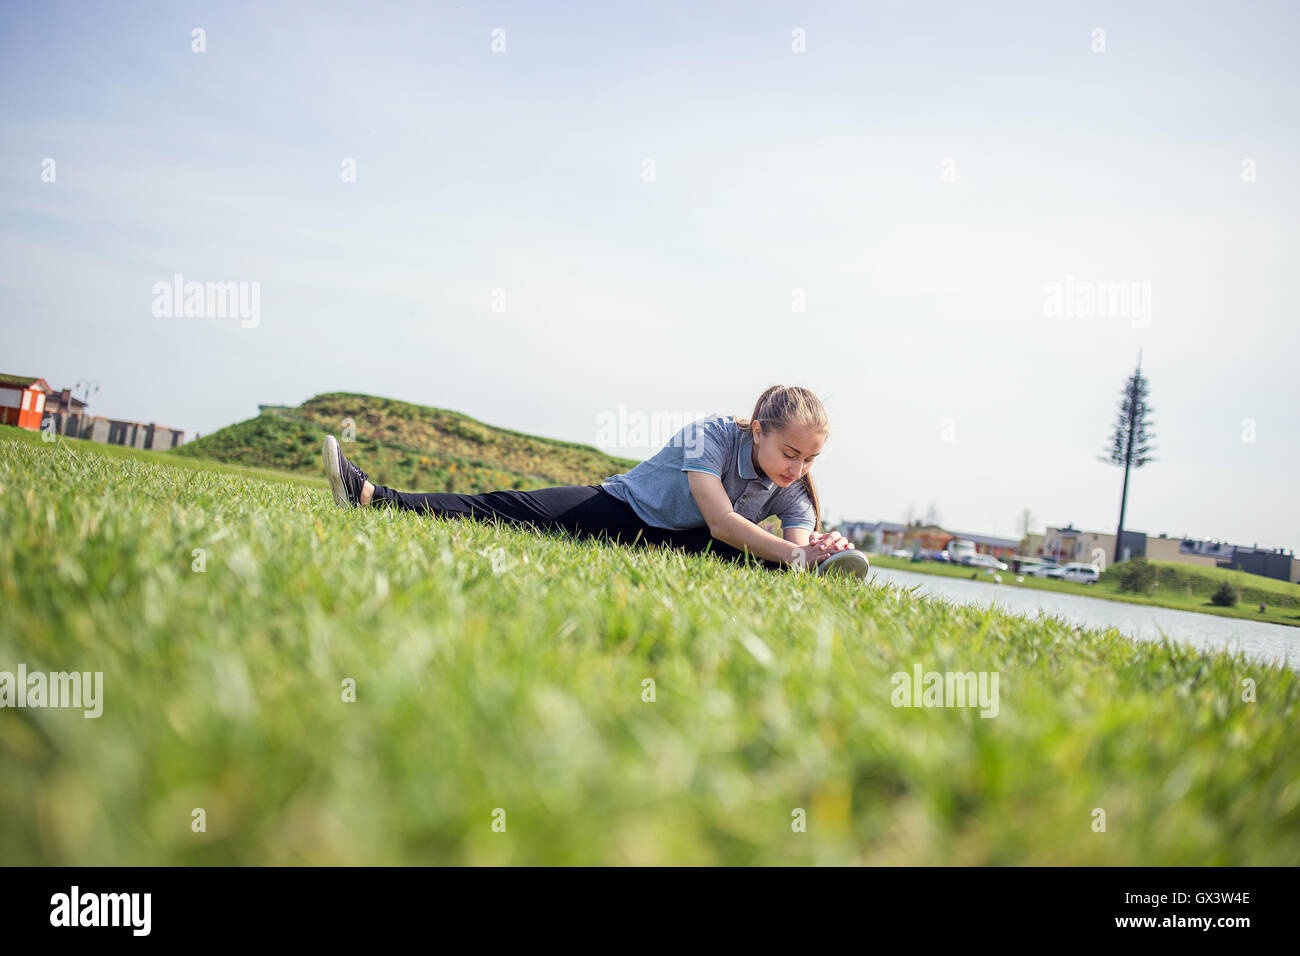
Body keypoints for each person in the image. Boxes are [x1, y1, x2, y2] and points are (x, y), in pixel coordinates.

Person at [322, 384, 860, 573]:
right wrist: (796, 555)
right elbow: (721, 521)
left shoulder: (794, 489)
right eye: (790, 453)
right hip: (627, 510)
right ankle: (373, 496)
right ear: (760, 430)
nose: (797, 470)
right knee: (512, 509)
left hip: (688, 543)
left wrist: (820, 555)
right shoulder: (711, 435)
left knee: (768, 566)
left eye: (810, 460)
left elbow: (794, 558)